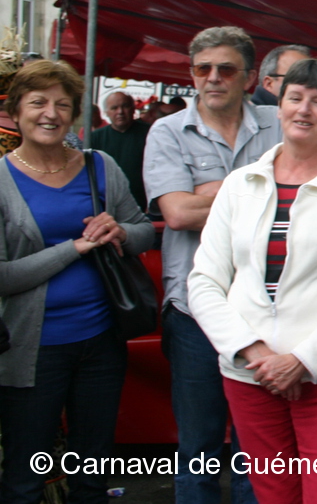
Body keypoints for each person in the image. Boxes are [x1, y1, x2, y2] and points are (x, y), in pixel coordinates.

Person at [188, 58, 317, 504]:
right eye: (295, 98)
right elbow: (204, 282)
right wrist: (255, 352)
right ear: (277, 107)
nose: (304, 110)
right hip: (251, 376)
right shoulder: (240, 184)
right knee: (273, 495)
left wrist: (303, 359)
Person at [0, 60, 154, 503]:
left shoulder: (98, 165)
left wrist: (120, 232)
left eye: (62, 104)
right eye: (38, 103)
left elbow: (144, 230)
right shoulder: (2, 180)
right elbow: (3, 276)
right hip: (33, 349)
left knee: (92, 473)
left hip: (102, 341)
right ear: (16, 111)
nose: (51, 113)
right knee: (25, 476)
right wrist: (75, 248)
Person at [145, 25, 279, 504]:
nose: (213, 78)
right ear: (192, 74)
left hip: (267, 307)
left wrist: (211, 193)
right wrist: (260, 191)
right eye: (203, 68)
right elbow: (178, 214)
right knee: (198, 447)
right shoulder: (167, 131)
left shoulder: (279, 121)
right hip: (195, 311)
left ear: (249, 78)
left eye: (226, 69)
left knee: (257, 448)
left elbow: (304, 201)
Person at [89, 90, 150, 209]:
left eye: (125, 106)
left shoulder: (150, 133)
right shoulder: (95, 137)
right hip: (107, 203)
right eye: (114, 108)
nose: (120, 112)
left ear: (133, 109)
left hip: (143, 204)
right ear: (106, 112)